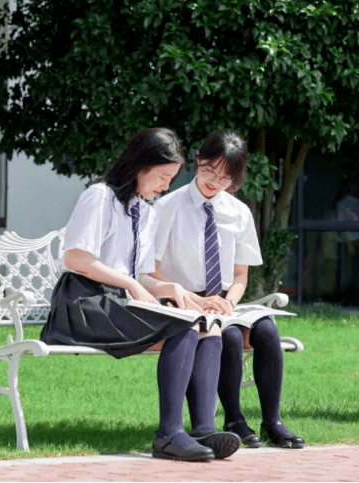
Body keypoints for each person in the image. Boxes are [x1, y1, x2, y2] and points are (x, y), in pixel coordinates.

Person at [39, 128, 239, 462]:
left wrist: (178, 290)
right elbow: (76, 258)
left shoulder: (144, 211)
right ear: (139, 165)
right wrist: (131, 285)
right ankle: (168, 435)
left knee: (201, 321)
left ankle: (203, 429)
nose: (165, 186)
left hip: (116, 300)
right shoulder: (99, 197)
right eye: (162, 176)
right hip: (82, 302)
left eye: (171, 178)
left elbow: (143, 276)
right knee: (181, 326)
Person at [153, 130, 305, 449]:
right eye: (210, 170)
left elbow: (240, 277)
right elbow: (151, 269)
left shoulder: (238, 213)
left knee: (267, 329)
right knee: (231, 336)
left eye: (225, 177)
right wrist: (197, 301)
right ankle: (234, 419)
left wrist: (227, 302)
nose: (214, 181)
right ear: (198, 160)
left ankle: (272, 421)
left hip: (223, 301)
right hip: (181, 301)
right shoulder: (169, 206)